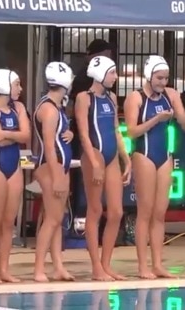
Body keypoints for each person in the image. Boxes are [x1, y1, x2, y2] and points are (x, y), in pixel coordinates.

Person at [123, 55, 185, 279]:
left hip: (165, 157)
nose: (163, 82)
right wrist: (157, 119)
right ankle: (143, 266)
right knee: (145, 212)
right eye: (159, 78)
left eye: (166, 78)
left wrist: (184, 113)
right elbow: (131, 131)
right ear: (149, 75)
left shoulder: (171, 95)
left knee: (160, 213)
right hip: (144, 155)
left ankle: (158, 264)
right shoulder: (136, 98)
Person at [75, 55, 131, 281]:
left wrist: (126, 159)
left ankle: (106, 265)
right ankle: (96, 266)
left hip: (111, 157)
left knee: (117, 212)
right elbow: (83, 134)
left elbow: (117, 131)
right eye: (112, 73)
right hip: (93, 155)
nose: (116, 77)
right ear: (100, 74)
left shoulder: (111, 98)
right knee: (95, 210)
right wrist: (95, 162)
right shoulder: (83, 98)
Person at [32, 62, 76, 283]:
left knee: (58, 219)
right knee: (51, 219)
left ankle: (58, 266)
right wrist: (57, 175)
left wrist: (69, 134)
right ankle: (39, 268)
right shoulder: (49, 109)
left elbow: (58, 136)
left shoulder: (57, 107)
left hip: (60, 165)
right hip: (51, 167)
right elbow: (49, 145)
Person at [0, 69, 29, 283]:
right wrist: (12, 136)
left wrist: (6, 134)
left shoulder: (19, 107)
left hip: (14, 167)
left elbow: (27, 136)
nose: (20, 89)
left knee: (7, 223)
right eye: (17, 84)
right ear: (4, 86)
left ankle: (4, 270)